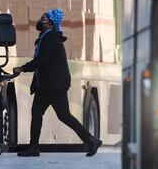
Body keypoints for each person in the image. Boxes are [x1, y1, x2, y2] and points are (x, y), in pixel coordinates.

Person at [13, 9, 103, 157]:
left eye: (44, 19)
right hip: (46, 85)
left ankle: (91, 140)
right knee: (37, 113)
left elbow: (41, 61)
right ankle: (34, 147)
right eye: (41, 18)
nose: (40, 21)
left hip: (55, 86)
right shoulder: (45, 37)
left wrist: (22, 68)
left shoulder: (51, 39)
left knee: (63, 115)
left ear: (51, 24)